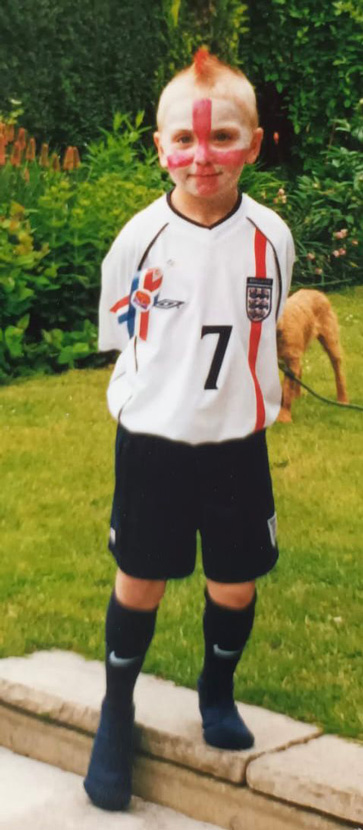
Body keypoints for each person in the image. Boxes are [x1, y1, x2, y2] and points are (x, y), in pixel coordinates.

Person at [84, 47, 295, 812]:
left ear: (256, 142)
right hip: (154, 445)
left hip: (237, 445)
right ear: (160, 146)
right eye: (184, 140)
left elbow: (259, 330)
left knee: (233, 584)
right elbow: (127, 341)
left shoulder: (270, 234)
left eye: (221, 138)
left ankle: (215, 692)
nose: (201, 158)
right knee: (140, 578)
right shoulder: (136, 241)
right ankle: (116, 710)